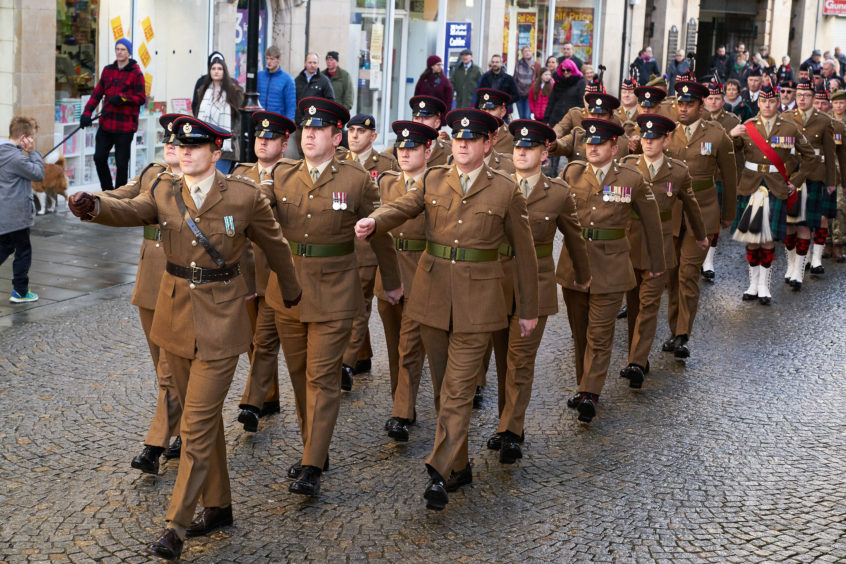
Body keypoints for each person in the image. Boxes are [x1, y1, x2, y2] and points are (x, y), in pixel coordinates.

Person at [68, 115, 303, 561]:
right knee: (204, 419)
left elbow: (275, 246)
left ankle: (176, 525)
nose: (186, 151)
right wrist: (93, 206)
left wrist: (290, 292)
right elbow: (130, 210)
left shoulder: (244, 196)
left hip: (222, 319)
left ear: (216, 152)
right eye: (181, 145)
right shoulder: (162, 189)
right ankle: (219, 505)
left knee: (195, 423)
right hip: (174, 317)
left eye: (197, 146)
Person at [354, 108, 539, 511]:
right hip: (432, 297)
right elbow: (402, 206)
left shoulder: (506, 189)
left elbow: (525, 255)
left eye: (472, 139)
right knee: (442, 390)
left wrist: (528, 308)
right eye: (458, 138)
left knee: (457, 389)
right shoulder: (434, 179)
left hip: (479, 303)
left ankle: (438, 472)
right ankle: (459, 465)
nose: (463, 145)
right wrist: (375, 220)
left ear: (488, 144)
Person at [265, 97, 401, 498]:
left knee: (321, 378)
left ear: (336, 136)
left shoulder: (357, 180)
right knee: (298, 376)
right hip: (288, 292)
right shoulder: (282, 175)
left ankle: (311, 465)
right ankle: (316, 448)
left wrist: (391, 282)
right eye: (305, 129)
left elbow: (380, 232)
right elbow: (256, 218)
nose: (308, 134)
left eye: (318, 129)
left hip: (336, 292)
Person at [485, 119, 590, 462]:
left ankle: (511, 430)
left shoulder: (558, 192)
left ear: (545, 154)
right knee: (502, 361)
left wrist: (583, 274)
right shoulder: (495, 186)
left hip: (538, 284)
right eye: (517, 147)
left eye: (528, 149)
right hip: (496, 282)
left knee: (522, 359)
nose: (520, 153)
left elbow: (574, 237)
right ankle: (506, 422)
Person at [559, 118, 664, 423]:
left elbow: (652, 223)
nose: (592, 148)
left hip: (612, 265)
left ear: (613, 146)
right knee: (580, 333)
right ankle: (584, 386)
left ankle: (591, 393)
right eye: (589, 143)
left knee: (601, 334)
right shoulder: (571, 173)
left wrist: (656, 264)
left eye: (599, 144)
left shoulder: (631, 178)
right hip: (574, 264)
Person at [103, 114, 183, 473]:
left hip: (182, 282)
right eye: (168, 139)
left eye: (180, 142)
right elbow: (124, 198)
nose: (171, 145)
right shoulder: (153, 174)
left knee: (169, 369)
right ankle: (183, 431)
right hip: (150, 281)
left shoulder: (204, 185)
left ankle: (155, 444)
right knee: (162, 368)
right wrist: (94, 201)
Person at [619, 114, 706, 387]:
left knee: (649, 304)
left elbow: (691, 206)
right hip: (630, 243)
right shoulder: (627, 167)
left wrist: (701, 236)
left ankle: (635, 363)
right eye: (644, 138)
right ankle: (639, 356)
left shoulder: (677, 171)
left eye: (653, 138)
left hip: (660, 246)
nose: (647, 143)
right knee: (633, 305)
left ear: (666, 140)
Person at [232, 110, 298, 432]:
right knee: (250, 339)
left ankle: (252, 403)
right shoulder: (241, 173)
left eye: (270, 138)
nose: (262, 141)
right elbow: (229, 217)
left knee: (265, 339)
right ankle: (268, 396)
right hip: (246, 269)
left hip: (275, 272)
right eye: (259, 136)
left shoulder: (293, 176)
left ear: (284, 145)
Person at [662, 81, 737, 359]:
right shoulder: (666, 132)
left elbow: (730, 179)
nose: (683, 109)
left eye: (689, 104)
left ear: (700, 106)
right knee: (671, 273)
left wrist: (728, 213)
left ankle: (683, 334)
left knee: (688, 273)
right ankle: (673, 329)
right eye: (680, 104)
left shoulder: (717, 135)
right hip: (671, 212)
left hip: (702, 212)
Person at [379, 120, 440, 442]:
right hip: (389, 272)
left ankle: (401, 413)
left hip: (421, 273)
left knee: (410, 348)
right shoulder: (387, 182)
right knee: (393, 348)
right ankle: (402, 405)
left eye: (412, 148)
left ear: (427, 150)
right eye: (400, 148)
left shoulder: (437, 183)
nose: (403, 154)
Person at [727, 85, 815, 305]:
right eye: (764, 101)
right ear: (758, 103)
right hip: (749, 186)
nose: (767, 105)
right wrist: (730, 135)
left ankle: (765, 286)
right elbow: (728, 153)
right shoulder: (747, 127)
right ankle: (752, 285)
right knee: (751, 239)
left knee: (766, 239)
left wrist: (795, 182)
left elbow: (810, 157)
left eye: (772, 101)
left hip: (776, 186)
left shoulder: (789, 128)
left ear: (778, 103)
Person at [337, 114, 399, 391]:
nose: (354, 135)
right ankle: (362, 356)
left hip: (369, 245)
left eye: (361, 131)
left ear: (373, 137)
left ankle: (346, 363)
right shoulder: (338, 161)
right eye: (351, 130)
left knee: (359, 303)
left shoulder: (386, 165)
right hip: (340, 244)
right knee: (348, 302)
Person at [780, 80, 837, 283]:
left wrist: (831, 181)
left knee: (804, 225)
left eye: (806, 95)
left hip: (813, 178)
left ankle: (799, 270)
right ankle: (791, 264)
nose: (802, 99)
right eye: (799, 95)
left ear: (813, 98)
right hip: (790, 176)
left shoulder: (823, 121)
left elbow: (830, 155)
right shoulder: (785, 117)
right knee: (788, 226)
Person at [79, 39, 146, 191]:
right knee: (99, 157)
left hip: (125, 126)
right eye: (117, 49)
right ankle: (108, 191)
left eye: (123, 49)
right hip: (106, 123)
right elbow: (97, 94)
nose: (120, 52)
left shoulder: (136, 73)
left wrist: (123, 99)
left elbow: (141, 98)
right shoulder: (108, 70)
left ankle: (119, 197)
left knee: (121, 164)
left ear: (129, 52)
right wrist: (86, 113)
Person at [0, 116, 44, 303]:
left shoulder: (4, 152)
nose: (33, 141)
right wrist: (33, 152)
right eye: (32, 137)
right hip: (16, 214)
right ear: (24, 137)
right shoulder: (16, 158)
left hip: (5, 212)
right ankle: (20, 291)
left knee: (5, 247)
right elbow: (38, 174)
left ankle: (21, 290)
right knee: (23, 251)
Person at [194, 55, 243, 173]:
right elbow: (197, 114)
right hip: (205, 142)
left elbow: (240, 118)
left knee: (219, 179)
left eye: (219, 69)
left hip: (225, 145)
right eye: (213, 68)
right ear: (209, 71)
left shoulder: (234, 91)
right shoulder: (203, 91)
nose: (216, 71)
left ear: (224, 71)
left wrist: (232, 135)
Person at [408, 95, 453, 166]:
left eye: (426, 118)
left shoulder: (449, 151)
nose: (420, 122)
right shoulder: (400, 150)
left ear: (437, 123)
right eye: (416, 118)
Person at [544, 59, 586, 131]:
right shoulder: (558, 80)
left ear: (573, 70)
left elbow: (582, 102)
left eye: (568, 70)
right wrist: (546, 118)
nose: (565, 72)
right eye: (563, 70)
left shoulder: (580, 81)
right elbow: (551, 101)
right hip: (556, 117)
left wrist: (582, 118)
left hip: (572, 118)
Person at [257, 46, 296, 120]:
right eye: (267, 58)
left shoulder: (287, 80)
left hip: (277, 123)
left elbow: (291, 107)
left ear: (279, 59)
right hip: (260, 121)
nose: (268, 62)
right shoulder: (259, 76)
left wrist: (287, 126)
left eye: (272, 59)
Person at [294, 53, 336, 124]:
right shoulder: (297, 80)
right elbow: (292, 101)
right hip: (300, 122)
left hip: (317, 123)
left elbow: (331, 101)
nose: (312, 65)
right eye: (310, 62)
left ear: (318, 64)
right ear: (305, 63)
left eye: (315, 63)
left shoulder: (324, 81)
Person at [477, 88, 514, 154]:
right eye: (484, 109)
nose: (487, 113)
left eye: (492, 109)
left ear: (503, 112)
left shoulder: (512, 136)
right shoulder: (474, 132)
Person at [514, 46, 540, 119]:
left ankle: (529, 129)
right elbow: (515, 78)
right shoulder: (518, 64)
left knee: (527, 116)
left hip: (530, 94)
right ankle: (523, 130)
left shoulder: (536, 65)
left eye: (529, 51)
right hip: (519, 94)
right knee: (521, 116)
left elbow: (539, 79)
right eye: (525, 51)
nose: (527, 53)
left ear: (532, 53)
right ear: (522, 53)